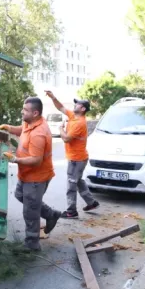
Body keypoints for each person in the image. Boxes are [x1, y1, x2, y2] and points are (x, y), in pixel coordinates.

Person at [0, 97, 62, 250]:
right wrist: (9, 128)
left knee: (30, 211)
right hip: (26, 174)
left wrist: (15, 159)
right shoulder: (30, 122)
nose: (22, 111)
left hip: (36, 178)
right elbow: (22, 129)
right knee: (20, 196)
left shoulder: (39, 133)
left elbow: (36, 160)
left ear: (35, 113)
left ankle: (32, 244)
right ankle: (51, 214)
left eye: (25, 110)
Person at [44, 90, 100, 218]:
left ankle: (71, 211)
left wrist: (60, 129)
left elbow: (66, 138)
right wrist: (53, 97)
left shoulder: (79, 123)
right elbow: (61, 107)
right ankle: (91, 202)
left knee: (71, 184)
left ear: (83, 109)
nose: (75, 105)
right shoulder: (73, 116)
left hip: (76, 160)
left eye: (77, 104)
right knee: (78, 181)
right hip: (79, 158)